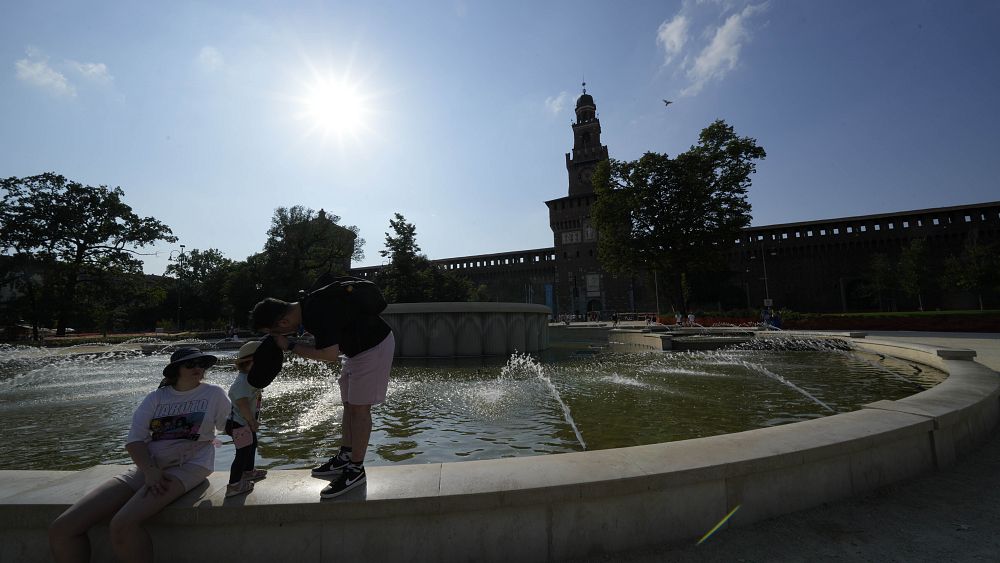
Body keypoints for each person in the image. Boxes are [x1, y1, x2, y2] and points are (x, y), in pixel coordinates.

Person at [49, 348, 231, 563]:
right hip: (148, 466)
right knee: (62, 528)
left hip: (189, 465)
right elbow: (135, 440)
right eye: (190, 364)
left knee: (122, 525)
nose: (198, 368)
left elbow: (228, 425)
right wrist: (150, 471)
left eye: (201, 363)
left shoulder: (214, 393)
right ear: (176, 370)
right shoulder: (156, 397)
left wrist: (247, 415)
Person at [251, 275, 394, 499]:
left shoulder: (315, 312)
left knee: (359, 409)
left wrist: (290, 345)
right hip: (356, 351)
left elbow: (329, 355)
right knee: (349, 404)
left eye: (273, 332)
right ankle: (346, 456)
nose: (276, 336)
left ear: (283, 322)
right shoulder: (309, 305)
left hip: (373, 348)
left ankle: (356, 470)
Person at [226, 341, 267, 498]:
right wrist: (252, 421)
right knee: (242, 453)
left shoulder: (250, 378)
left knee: (252, 445)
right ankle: (234, 485)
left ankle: (248, 472)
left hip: (244, 423)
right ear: (247, 364)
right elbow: (242, 404)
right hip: (238, 423)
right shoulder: (242, 382)